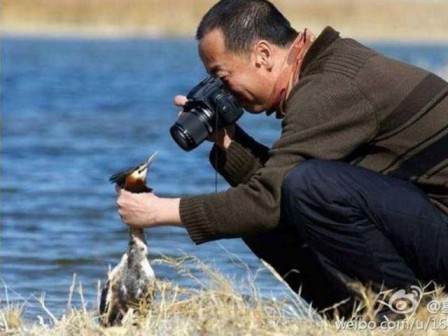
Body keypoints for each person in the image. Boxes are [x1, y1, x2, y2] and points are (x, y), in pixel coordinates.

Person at [116, 0, 448, 314]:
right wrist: (227, 141)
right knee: (272, 209)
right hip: (430, 222)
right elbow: (276, 188)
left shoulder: (329, 89)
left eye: (222, 77)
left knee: (307, 187)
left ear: (262, 53)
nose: (224, 91)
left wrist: (158, 211)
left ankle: (405, 315)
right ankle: (356, 316)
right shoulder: (326, 68)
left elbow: (271, 198)